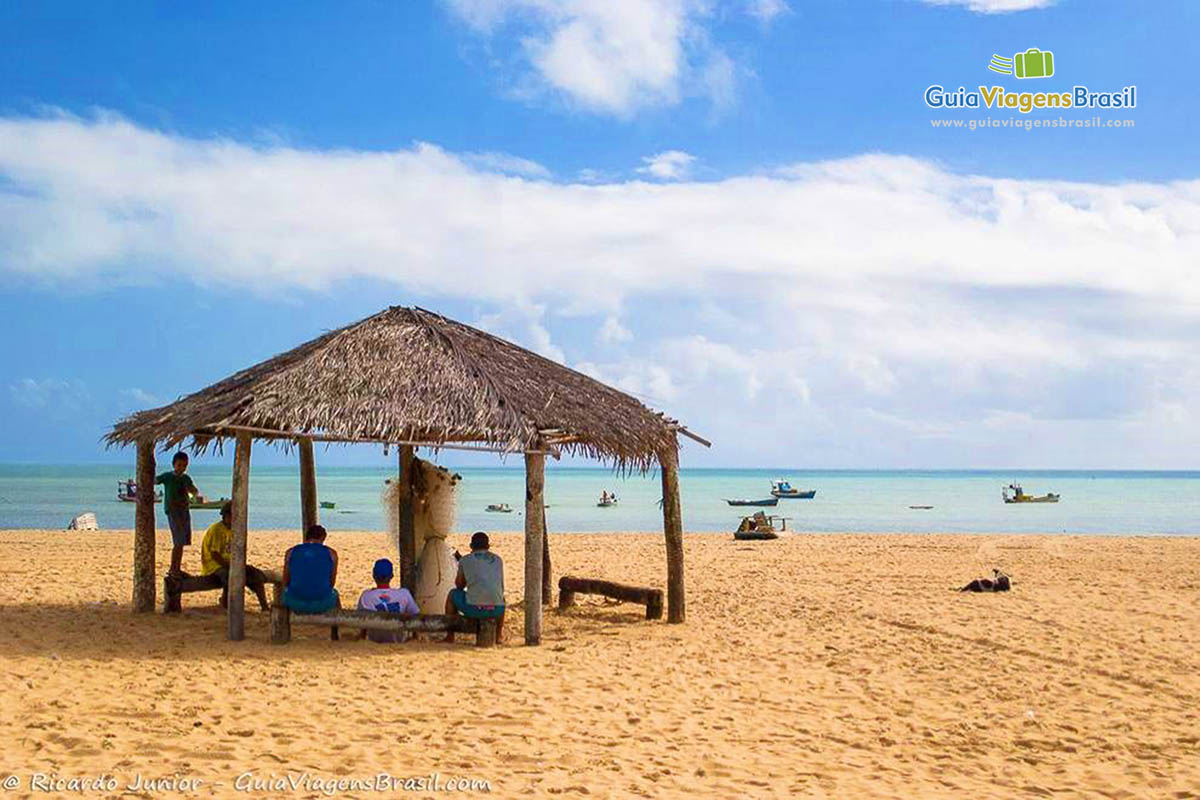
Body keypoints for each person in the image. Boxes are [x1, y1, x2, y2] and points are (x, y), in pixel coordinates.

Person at [200, 501, 271, 611]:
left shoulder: (235, 529)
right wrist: (231, 566)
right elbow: (215, 555)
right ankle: (226, 602)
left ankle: (264, 606)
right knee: (230, 576)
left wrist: (238, 565)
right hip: (214, 566)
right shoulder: (216, 530)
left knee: (256, 575)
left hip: (231, 563)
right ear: (226, 516)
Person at [444, 531, 505, 643]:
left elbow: (459, 586)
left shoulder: (465, 560)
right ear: (488, 546)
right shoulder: (498, 560)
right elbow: (500, 586)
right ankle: (499, 635)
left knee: (452, 594)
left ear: (471, 546)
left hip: (474, 609)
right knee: (501, 597)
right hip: (497, 610)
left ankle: (450, 635)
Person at [155, 451, 203, 576]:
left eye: (185, 465)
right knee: (178, 541)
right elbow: (155, 480)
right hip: (172, 511)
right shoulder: (168, 477)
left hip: (184, 511)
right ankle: (173, 568)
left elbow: (194, 490)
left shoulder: (186, 478)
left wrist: (196, 494)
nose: (182, 468)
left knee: (182, 542)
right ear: (174, 464)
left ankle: (176, 567)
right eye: (180, 465)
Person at [356, 558, 419, 643]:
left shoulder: (366, 596)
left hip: (374, 640)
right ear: (392, 576)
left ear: (374, 576)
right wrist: (415, 636)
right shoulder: (404, 594)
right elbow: (416, 616)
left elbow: (362, 622)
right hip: (398, 639)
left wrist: (361, 636)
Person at [282, 525, 340, 614]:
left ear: (307, 536)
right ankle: (336, 624)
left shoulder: (291, 552)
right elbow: (331, 582)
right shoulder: (332, 554)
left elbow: (286, 580)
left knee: (285, 595)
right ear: (323, 538)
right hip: (322, 602)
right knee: (335, 594)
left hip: (294, 601)